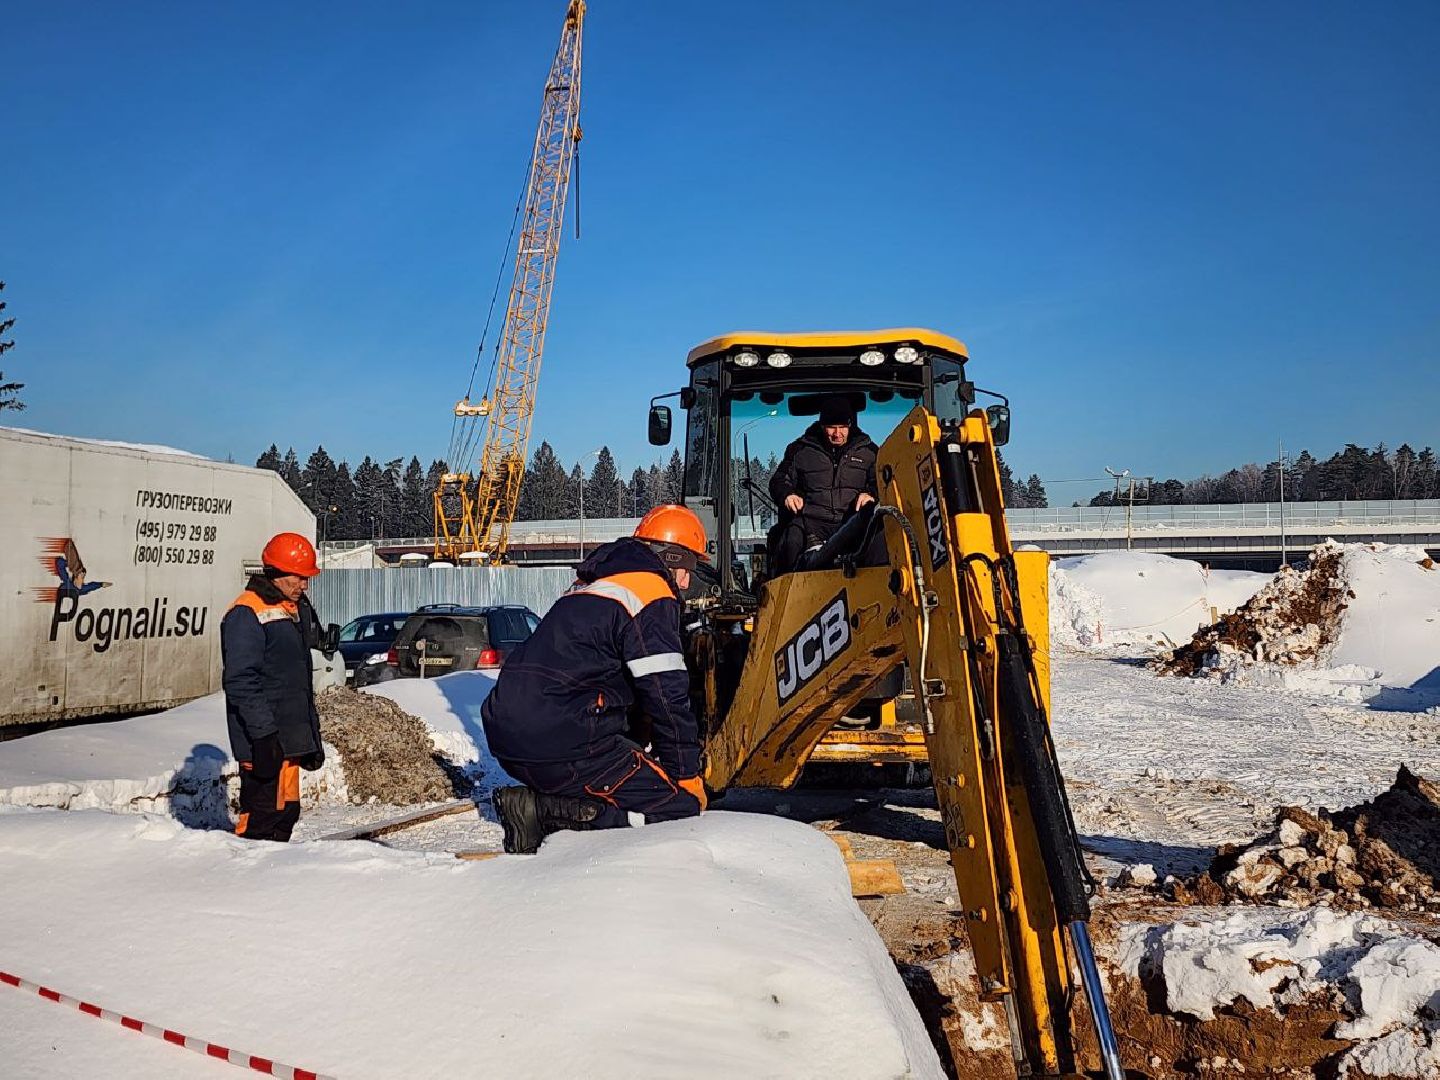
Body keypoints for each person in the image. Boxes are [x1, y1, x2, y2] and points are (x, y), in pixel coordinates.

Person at [484, 505, 708, 854]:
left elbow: (597, 675)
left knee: (610, 773)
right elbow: (667, 697)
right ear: (674, 558)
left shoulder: (589, 585)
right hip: (563, 739)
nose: (687, 583)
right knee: (679, 810)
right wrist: (686, 775)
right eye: (690, 568)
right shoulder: (651, 593)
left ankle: (542, 801)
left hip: (508, 736)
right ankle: (545, 814)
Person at [221, 532, 326, 842]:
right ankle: (247, 884)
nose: (305, 584)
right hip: (264, 741)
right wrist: (264, 735)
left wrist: (309, 736)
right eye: (300, 577)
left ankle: (277, 885)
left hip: (289, 742)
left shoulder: (294, 609)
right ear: (277, 573)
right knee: (260, 821)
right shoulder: (247, 612)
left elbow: (295, 678)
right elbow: (241, 681)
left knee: (286, 815)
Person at [767, 394, 879, 574]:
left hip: (853, 524)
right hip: (811, 523)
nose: (837, 433)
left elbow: (884, 481)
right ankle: (785, 590)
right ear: (822, 426)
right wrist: (787, 494)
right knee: (790, 538)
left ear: (850, 425)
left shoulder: (869, 452)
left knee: (882, 537)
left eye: (842, 427)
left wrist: (871, 493)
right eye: (831, 427)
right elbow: (778, 481)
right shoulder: (800, 450)